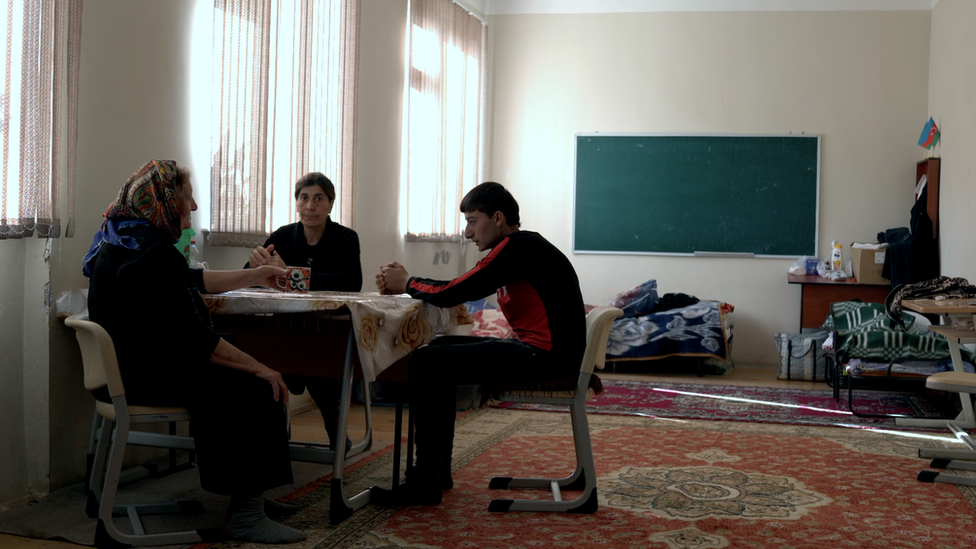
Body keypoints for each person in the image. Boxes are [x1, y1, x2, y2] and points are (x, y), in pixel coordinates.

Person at [84, 160, 306, 544]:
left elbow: (191, 279)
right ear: (166, 199)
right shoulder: (152, 253)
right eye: (189, 196)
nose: (195, 206)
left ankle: (248, 496)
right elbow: (196, 340)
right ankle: (247, 514)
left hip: (129, 370)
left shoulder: (125, 239)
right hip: (144, 379)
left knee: (244, 369)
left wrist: (255, 276)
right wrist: (263, 369)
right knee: (257, 387)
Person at [371, 182, 586, 506]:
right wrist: (410, 283)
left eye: (472, 220)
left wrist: (408, 282)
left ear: (497, 217)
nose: (468, 232)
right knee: (438, 349)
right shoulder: (521, 247)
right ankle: (436, 472)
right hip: (546, 352)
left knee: (426, 362)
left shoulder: (517, 247)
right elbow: (460, 285)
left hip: (544, 357)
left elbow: (457, 291)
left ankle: (425, 483)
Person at [245, 172, 363, 450]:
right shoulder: (284, 235)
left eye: (318, 198)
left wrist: (290, 274)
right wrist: (253, 263)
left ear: (330, 204)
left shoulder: (346, 238)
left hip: (329, 329)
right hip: (285, 326)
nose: (310, 205)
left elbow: (350, 282)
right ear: (297, 203)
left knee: (314, 357)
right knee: (260, 359)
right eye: (304, 198)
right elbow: (251, 278)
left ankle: (335, 429)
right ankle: (270, 438)